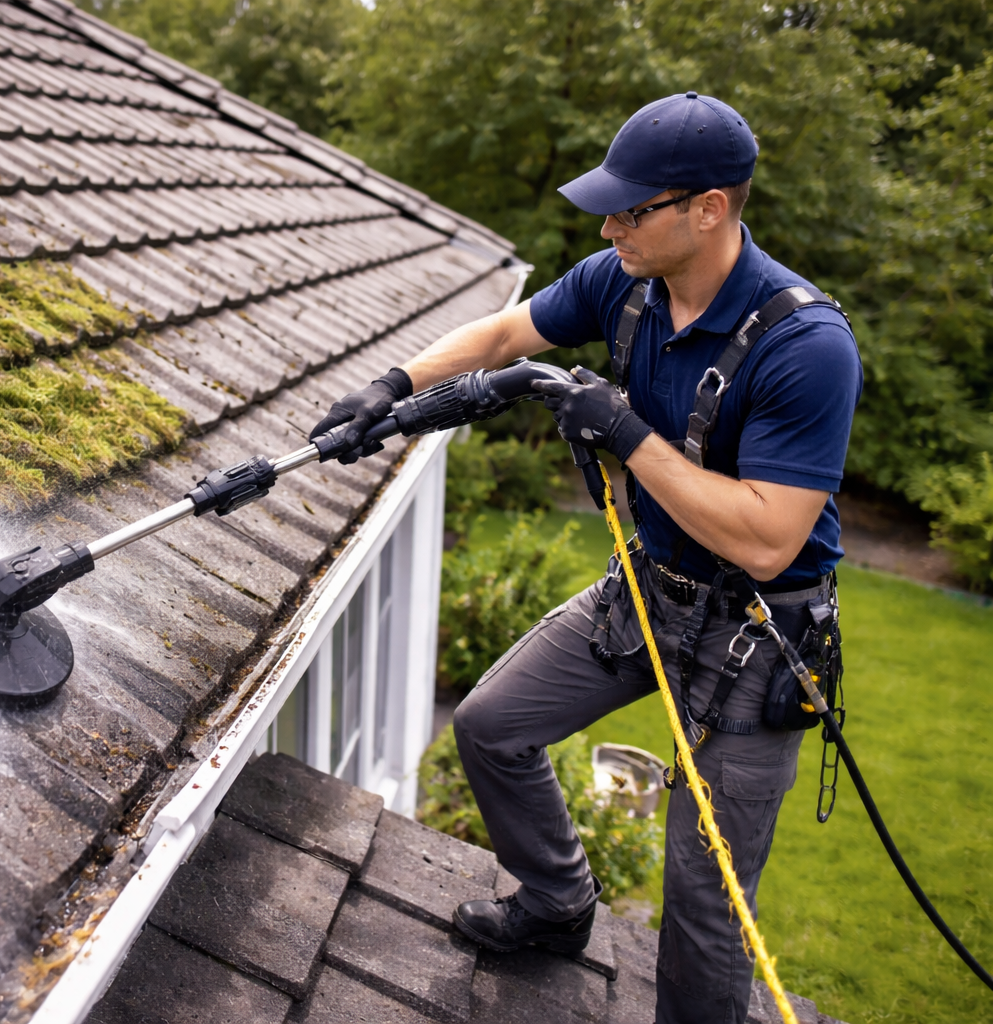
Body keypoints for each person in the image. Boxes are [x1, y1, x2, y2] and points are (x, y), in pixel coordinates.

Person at [310, 92, 861, 1023]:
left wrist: (626, 431)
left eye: (632, 208)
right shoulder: (622, 280)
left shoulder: (807, 347)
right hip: (650, 591)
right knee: (491, 726)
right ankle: (558, 902)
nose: (609, 226)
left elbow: (769, 539)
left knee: (703, 910)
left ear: (711, 208)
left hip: (756, 640)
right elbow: (501, 335)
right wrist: (394, 384)